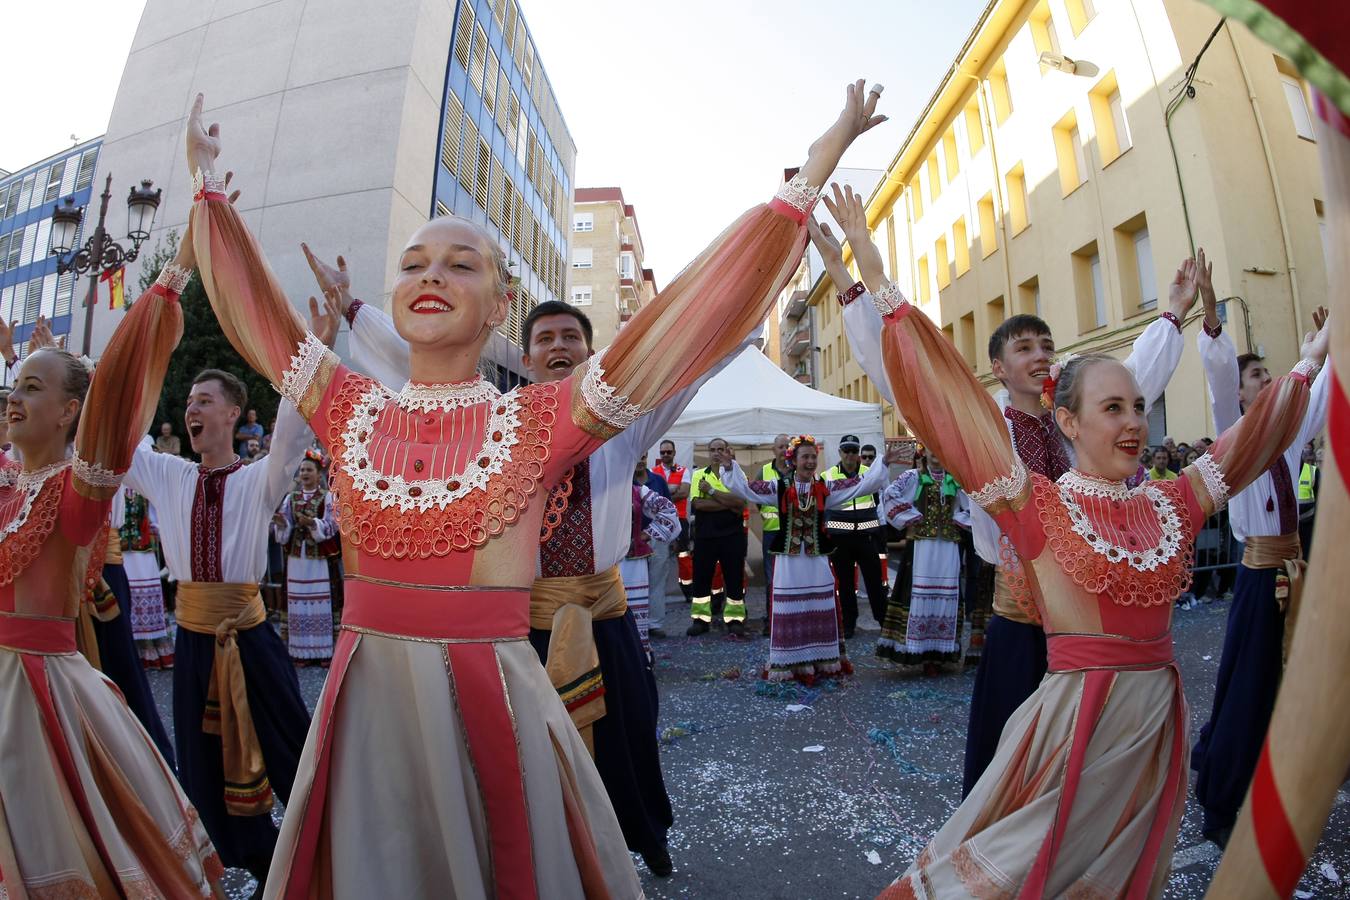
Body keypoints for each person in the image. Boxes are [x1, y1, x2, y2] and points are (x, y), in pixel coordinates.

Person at [183, 79, 884, 895]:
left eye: (459, 262)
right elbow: (257, 319)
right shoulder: (348, 406)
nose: (430, 274)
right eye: (413, 264)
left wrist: (811, 171)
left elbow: (687, 318)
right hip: (364, 703)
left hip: (491, 696)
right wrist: (207, 197)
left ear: (498, 304)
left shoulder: (538, 422)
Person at [819, 181, 1327, 898]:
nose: (1132, 421)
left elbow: (1237, 430)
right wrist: (862, 269)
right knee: (1018, 820)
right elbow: (926, 390)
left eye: (1135, 409)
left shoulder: (1164, 501)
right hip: (1049, 667)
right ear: (1064, 417)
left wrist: (1295, 357)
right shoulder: (1025, 483)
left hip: (1149, 725)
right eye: (1111, 409)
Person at [329, 267, 762, 879]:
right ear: (527, 358)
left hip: (601, 616)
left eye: (571, 338)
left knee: (629, 733)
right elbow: (410, 371)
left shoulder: (625, 420)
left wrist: (744, 303)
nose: (559, 347)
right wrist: (353, 310)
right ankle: (539, 854)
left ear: (590, 354)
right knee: (522, 748)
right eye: (546, 339)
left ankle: (644, 836)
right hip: (521, 624)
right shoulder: (498, 428)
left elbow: (684, 363)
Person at [814, 193, 1191, 798]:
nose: (1040, 356)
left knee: (1084, 762)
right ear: (997, 365)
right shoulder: (984, 424)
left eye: (1046, 346)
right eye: (1024, 348)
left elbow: (1136, 375)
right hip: (1018, 615)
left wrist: (1172, 316)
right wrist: (852, 276)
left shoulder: (1075, 419)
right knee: (1009, 761)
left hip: (1087, 619)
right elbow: (905, 377)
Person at [0, 248, 223, 894]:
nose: (15, 399)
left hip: (41, 694)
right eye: (14, 387)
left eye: (33, 389)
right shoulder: (8, 489)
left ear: (72, 412)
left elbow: (121, 388)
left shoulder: (74, 494)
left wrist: (178, 267)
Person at [123, 365, 318, 889]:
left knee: (290, 742)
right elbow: (122, 442)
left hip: (248, 637)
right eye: (189, 401)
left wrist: (311, 352)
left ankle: (322, 847)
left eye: (205, 400)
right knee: (202, 760)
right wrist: (111, 375)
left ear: (233, 413)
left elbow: (292, 435)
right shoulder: (171, 475)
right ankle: (251, 855)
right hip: (193, 640)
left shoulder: (258, 478)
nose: (192, 409)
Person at [1191, 258, 1331, 848]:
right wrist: (1212, 314)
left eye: (1272, 374)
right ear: (1244, 396)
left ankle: (1285, 778)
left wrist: (1325, 353)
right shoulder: (1235, 433)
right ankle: (1225, 802)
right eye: (1258, 378)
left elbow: (1315, 397)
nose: (1267, 381)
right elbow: (1222, 383)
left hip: (1294, 571)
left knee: (1292, 683)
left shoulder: (1290, 431)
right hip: (1256, 578)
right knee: (1247, 687)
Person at [720, 435, 896, 682]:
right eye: (806, 457)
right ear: (793, 460)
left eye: (814, 456)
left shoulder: (825, 488)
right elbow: (748, 487)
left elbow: (860, 484)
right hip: (790, 561)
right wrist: (729, 468)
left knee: (818, 604)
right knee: (792, 606)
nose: (811, 461)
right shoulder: (779, 487)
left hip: (816, 559)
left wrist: (883, 464)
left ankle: (821, 660)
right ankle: (790, 662)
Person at [876, 451, 971, 672]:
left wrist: (960, 518)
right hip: (922, 546)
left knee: (946, 593)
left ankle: (939, 653)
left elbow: (974, 502)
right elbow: (890, 494)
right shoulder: (913, 477)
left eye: (939, 448)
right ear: (924, 451)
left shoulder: (956, 479)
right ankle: (917, 650)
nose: (936, 454)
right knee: (920, 592)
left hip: (948, 545)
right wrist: (910, 516)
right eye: (931, 447)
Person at [272, 450, 339, 665]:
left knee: (321, 601)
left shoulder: (327, 497)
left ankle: (324, 652)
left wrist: (313, 524)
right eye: (302, 470)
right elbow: (284, 528)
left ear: (319, 474)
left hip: (318, 560)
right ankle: (300, 652)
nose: (305, 473)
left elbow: (332, 526)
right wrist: (281, 524)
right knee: (298, 601)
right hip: (296, 560)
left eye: (309, 469)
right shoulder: (291, 498)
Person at [823, 434, 887, 638]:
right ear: (840, 453)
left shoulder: (869, 473)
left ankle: (884, 622)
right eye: (846, 451)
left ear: (858, 454)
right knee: (846, 584)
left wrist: (880, 534)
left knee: (875, 583)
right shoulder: (828, 475)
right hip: (840, 539)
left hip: (866, 538)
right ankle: (848, 623)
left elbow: (880, 503)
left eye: (853, 451)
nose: (850, 455)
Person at [687, 438, 750, 636]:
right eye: (712, 449)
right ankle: (700, 619)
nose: (716, 453)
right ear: (708, 452)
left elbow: (742, 503)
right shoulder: (698, 475)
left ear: (728, 452)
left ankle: (734, 619)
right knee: (701, 577)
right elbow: (698, 505)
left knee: (734, 577)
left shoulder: (737, 475)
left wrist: (712, 492)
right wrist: (729, 504)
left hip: (732, 535)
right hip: (706, 535)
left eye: (720, 449)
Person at [621, 472, 681, 655]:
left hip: (631, 561)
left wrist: (645, 535)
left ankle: (639, 659)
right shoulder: (592, 491)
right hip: (600, 564)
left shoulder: (637, 492)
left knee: (634, 611)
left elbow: (669, 511)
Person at [120, 488, 175, 670]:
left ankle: (150, 649)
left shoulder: (143, 488)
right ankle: (131, 650)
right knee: (126, 596)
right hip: (120, 554)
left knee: (142, 597)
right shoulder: (113, 488)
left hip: (142, 553)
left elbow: (157, 519)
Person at [758, 433, 792, 634]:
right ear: (773, 450)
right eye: (780, 447)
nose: (784, 450)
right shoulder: (763, 472)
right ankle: (771, 620)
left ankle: (790, 617)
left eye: (787, 446)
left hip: (794, 531)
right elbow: (755, 495)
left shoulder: (797, 470)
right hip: (772, 532)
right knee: (772, 579)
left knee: (792, 578)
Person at [637, 455, 673, 638]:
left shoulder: (658, 480)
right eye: (637, 456)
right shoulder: (624, 481)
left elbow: (668, 509)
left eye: (643, 456)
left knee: (657, 580)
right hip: (632, 539)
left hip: (656, 539)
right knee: (635, 582)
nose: (640, 460)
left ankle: (655, 623)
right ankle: (635, 623)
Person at [652, 438, 693, 601]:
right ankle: (657, 594)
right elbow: (651, 496)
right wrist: (672, 491)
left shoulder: (684, 470)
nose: (666, 454)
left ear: (674, 453)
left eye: (669, 452)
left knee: (683, 556)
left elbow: (684, 493)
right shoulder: (653, 471)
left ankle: (689, 592)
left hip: (679, 519)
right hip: (659, 520)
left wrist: (664, 494)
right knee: (658, 557)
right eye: (663, 452)